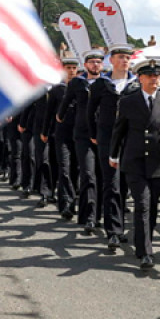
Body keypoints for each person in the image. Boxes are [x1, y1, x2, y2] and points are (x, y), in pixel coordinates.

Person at [109, 58, 160, 270]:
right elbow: (119, 130)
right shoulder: (128, 101)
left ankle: (145, 242)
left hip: (159, 162)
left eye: (157, 75)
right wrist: (113, 156)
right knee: (142, 204)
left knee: (152, 206)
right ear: (140, 78)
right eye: (150, 76)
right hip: (135, 160)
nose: (154, 79)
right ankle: (146, 252)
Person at [88, 44, 138, 250]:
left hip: (130, 139)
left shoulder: (136, 84)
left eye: (127, 57)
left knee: (126, 185)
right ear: (112, 60)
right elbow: (90, 112)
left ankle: (124, 226)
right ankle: (113, 231)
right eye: (120, 57)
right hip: (107, 139)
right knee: (111, 184)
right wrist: (94, 135)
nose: (124, 60)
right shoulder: (101, 84)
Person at [59, 50, 103, 234]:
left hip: (103, 134)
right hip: (83, 134)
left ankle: (99, 214)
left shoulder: (106, 83)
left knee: (102, 177)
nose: (95, 65)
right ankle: (88, 216)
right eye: (92, 62)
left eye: (98, 62)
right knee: (87, 174)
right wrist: (61, 117)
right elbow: (65, 104)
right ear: (85, 65)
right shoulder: (78, 82)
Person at [46, 58, 81, 219]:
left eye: (74, 67)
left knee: (75, 170)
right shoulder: (57, 90)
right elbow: (49, 112)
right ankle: (65, 204)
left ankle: (72, 201)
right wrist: (45, 132)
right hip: (61, 134)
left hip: (79, 134)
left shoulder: (82, 88)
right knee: (64, 169)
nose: (71, 70)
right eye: (68, 67)